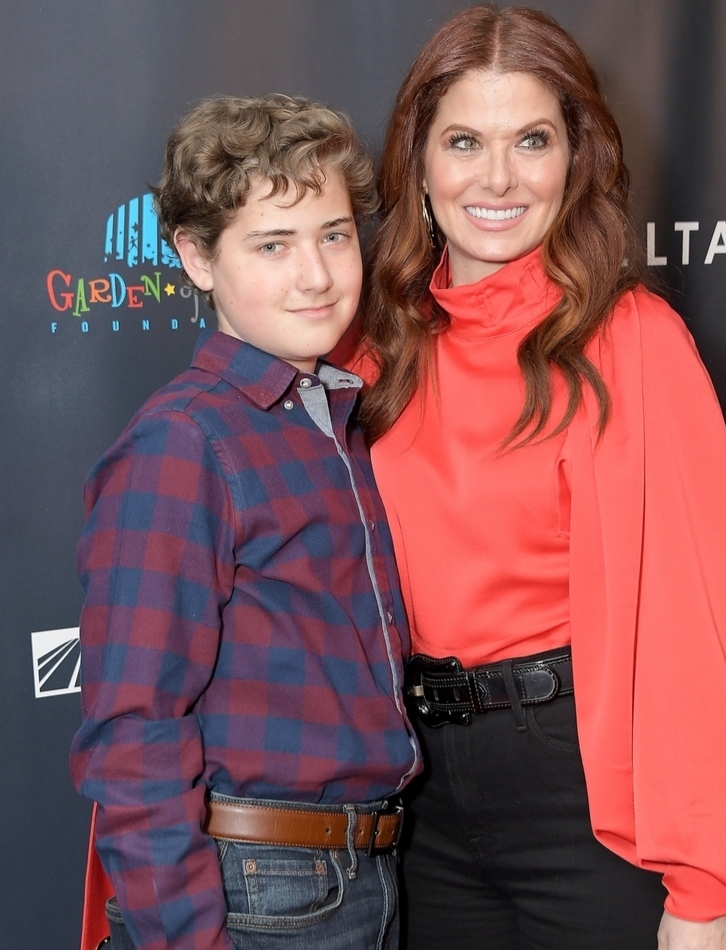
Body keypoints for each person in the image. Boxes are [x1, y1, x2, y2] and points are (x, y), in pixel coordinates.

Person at [354, 6, 726, 949]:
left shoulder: (632, 343)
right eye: (464, 141)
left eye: (533, 140)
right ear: (418, 162)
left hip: (587, 795)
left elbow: (694, 625)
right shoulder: (371, 352)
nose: (499, 177)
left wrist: (710, 883)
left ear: (576, 159)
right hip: (416, 803)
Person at [70, 94, 421, 950]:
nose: (317, 274)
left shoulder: (337, 421)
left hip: (370, 873)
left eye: (334, 235)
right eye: (273, 244)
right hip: (258, 894)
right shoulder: (182, 442)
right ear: (195, 257)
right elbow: (134, 728)